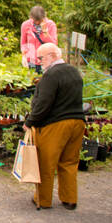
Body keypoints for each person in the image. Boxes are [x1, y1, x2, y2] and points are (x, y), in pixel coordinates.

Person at [23, 42, 85, 210]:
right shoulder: (74, 71)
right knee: (69, 162)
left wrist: (30, 121)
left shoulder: (51, 75)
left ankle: (42, 199)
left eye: (41, 58)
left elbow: (44, 102)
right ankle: (69, 198)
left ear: (52, 56)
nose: (39, 61)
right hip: (77, 121)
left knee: (46, 162)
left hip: (56, 123)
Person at [20, 5, 57, 72]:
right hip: (31, 60)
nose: (37, 22)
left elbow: (53, 45)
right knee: (32, 80)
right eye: (35, 20)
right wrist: (24, 56)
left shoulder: (51, 25)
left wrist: (45, 31)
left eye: (39, 20)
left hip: (45, 61)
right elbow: (23, 43)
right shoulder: (26, 25)